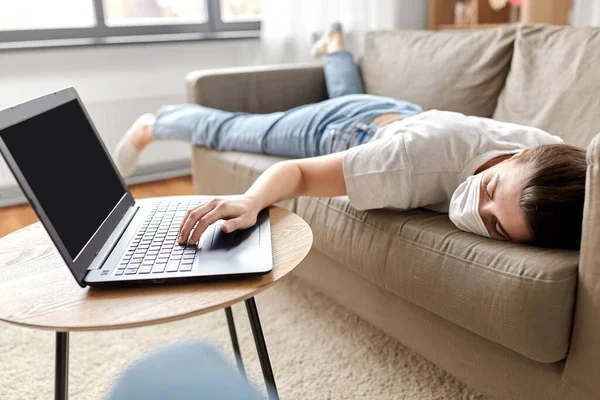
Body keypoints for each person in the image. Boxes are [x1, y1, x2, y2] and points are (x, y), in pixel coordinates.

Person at [113, 24, 587, 250]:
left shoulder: (552, 157)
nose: (477, 212)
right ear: (519, 155)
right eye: (488, 191)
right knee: (235, 130)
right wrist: (251, 201)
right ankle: (155, 124)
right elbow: (297, 174)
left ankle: (336, 49)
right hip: (346, 130)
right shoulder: (405, 166)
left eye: (497, 226)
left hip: (407, 119)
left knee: (361, 99)